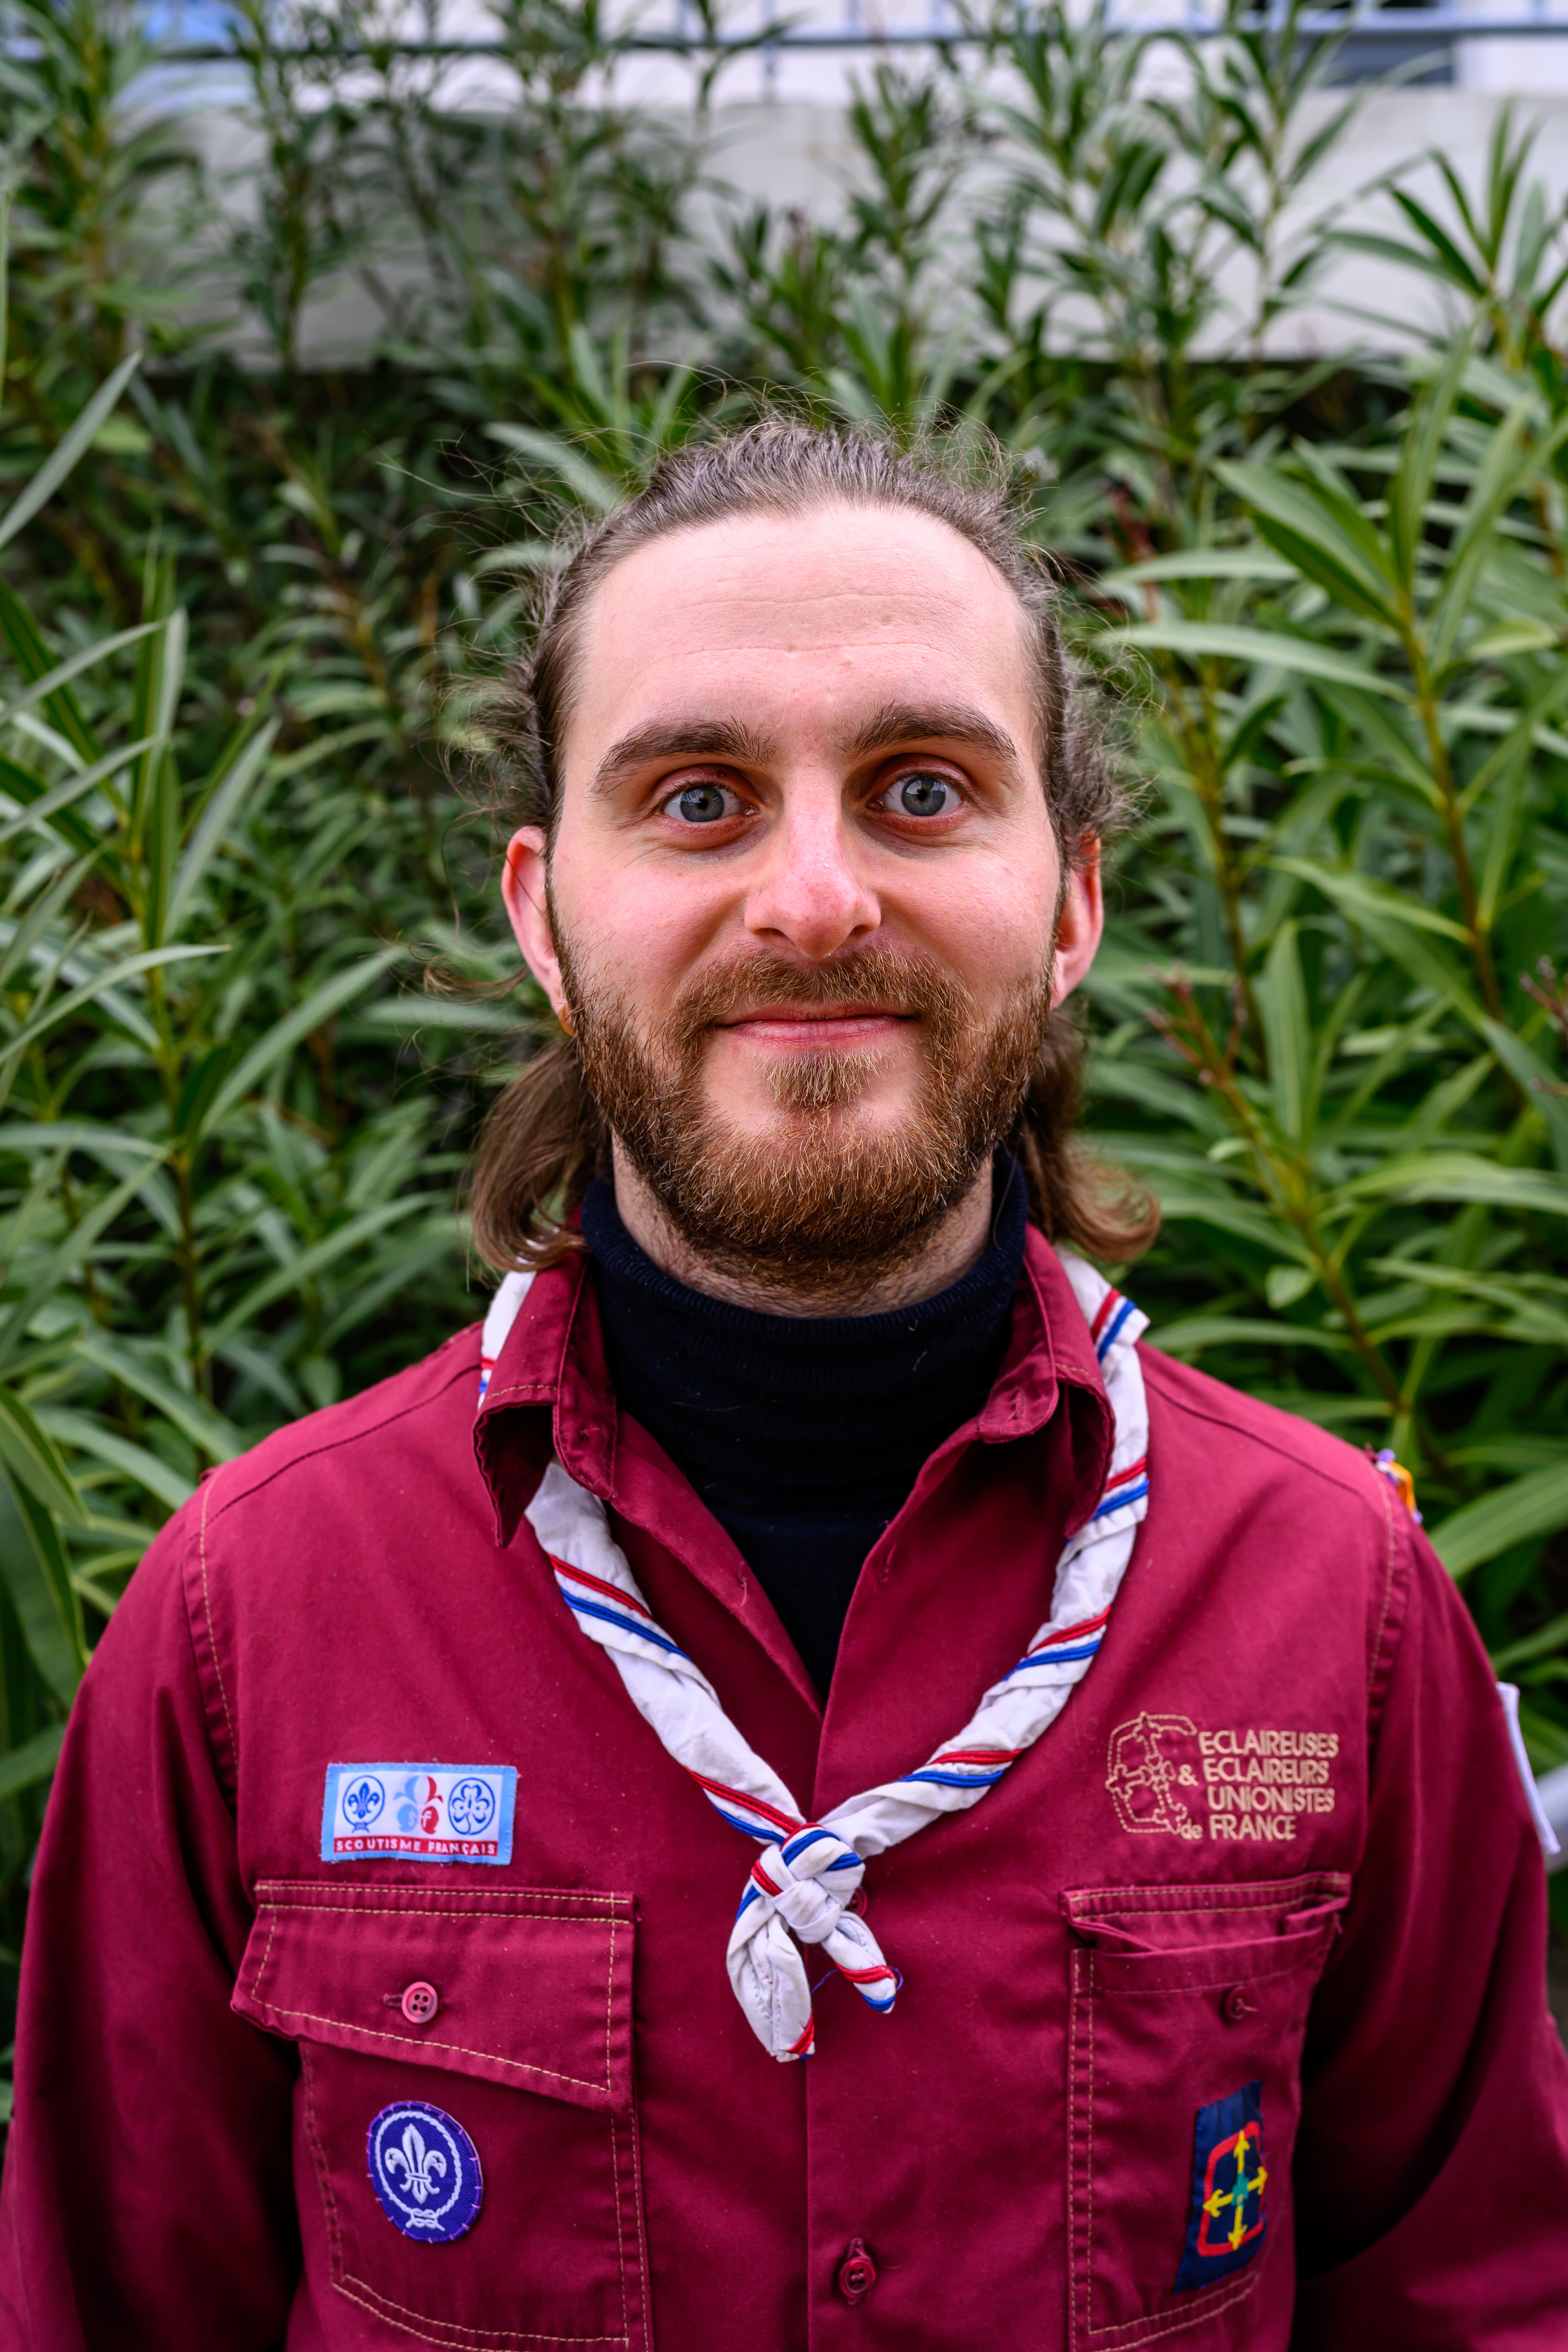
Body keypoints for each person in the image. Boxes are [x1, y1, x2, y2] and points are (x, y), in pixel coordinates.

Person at [2, 424, 1565, 2352]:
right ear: (541, 915)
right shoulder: (250, 1625)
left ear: (1070, 904)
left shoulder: (1336, 1605)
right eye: (696, 799)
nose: (815, 900)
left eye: (922, 791)